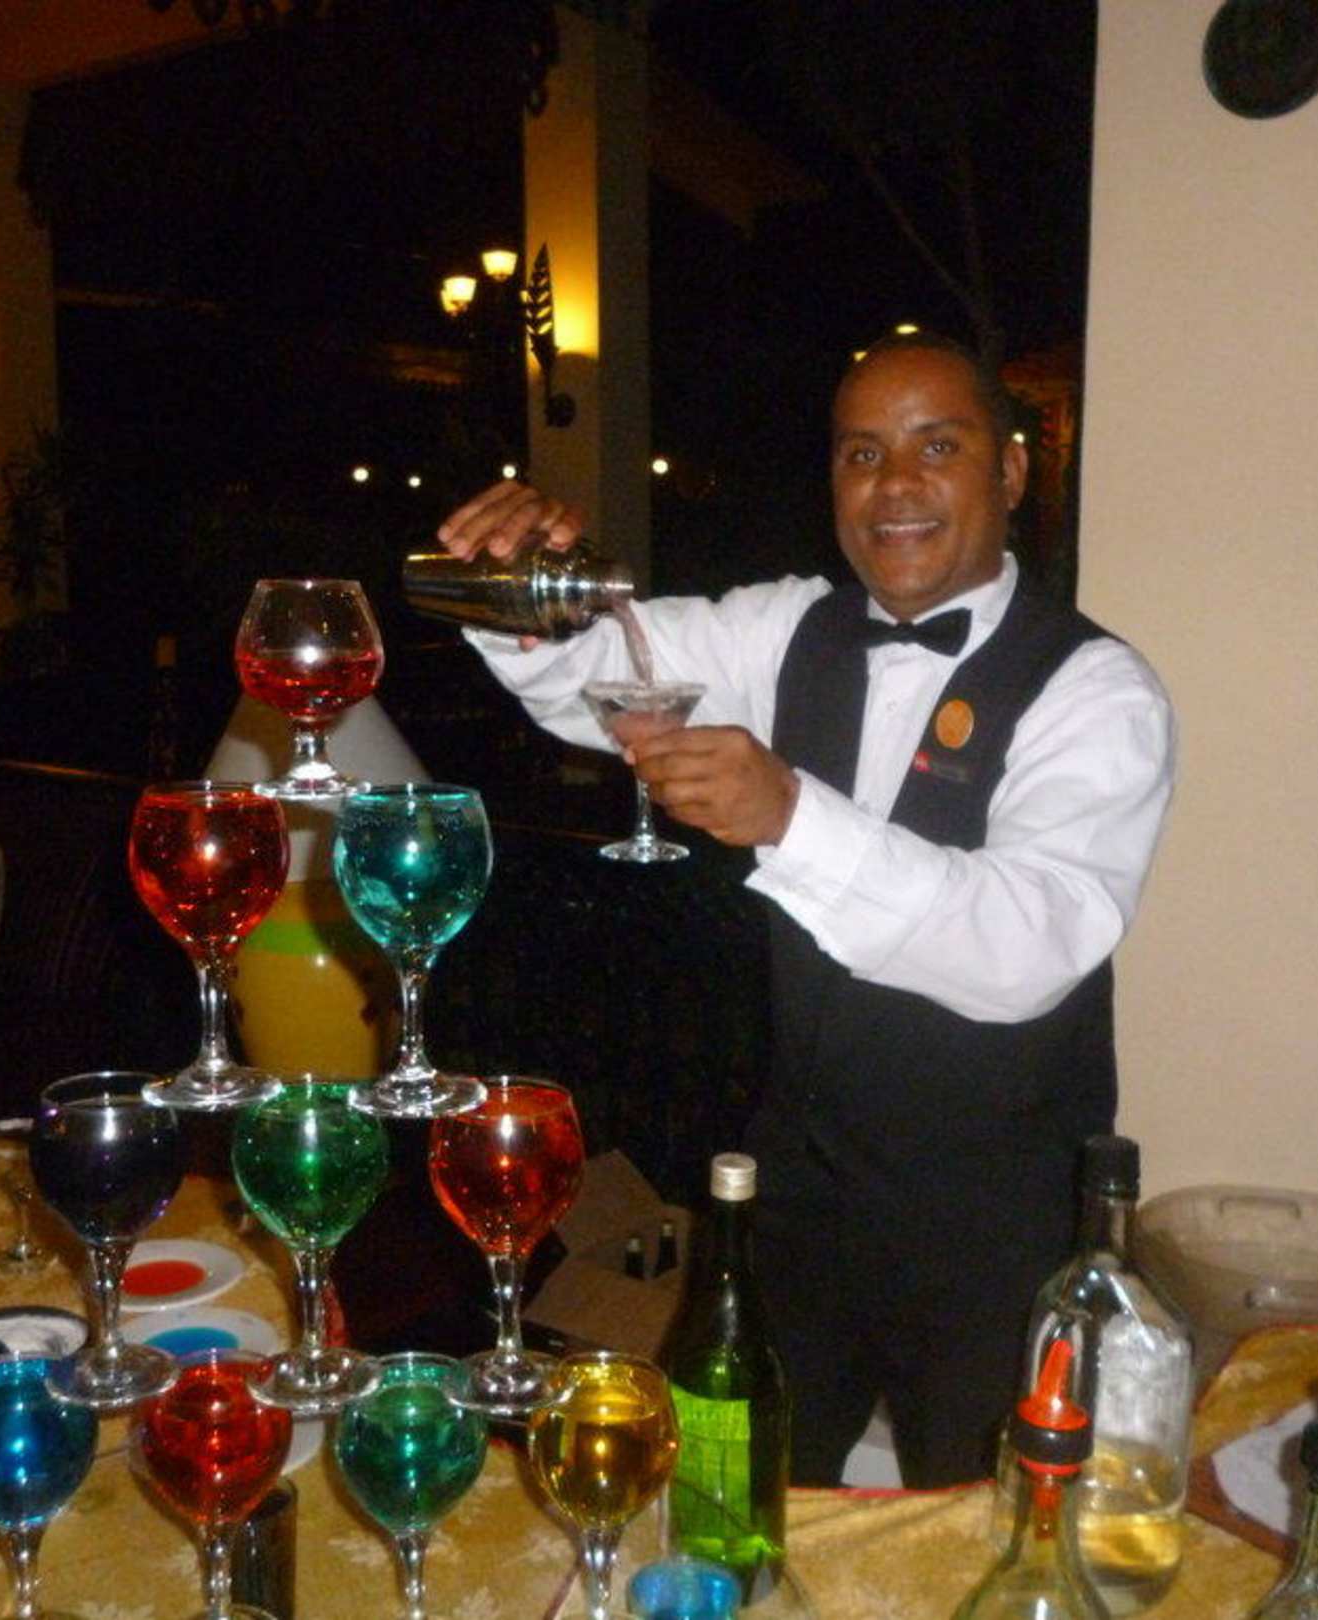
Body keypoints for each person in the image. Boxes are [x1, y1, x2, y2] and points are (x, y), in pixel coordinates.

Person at [432, 334, 1177, 1486]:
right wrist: (531, 588)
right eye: (861, 454)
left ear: (1013, 471)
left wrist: (790, 816)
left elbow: (1030, 944)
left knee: (983, 1525)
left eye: (938, 447)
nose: (895, 485)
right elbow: (607, 678)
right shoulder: (790, 628)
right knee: (730, 1489)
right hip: (796, 1191)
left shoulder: (1096, 690)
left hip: (993, 1224)